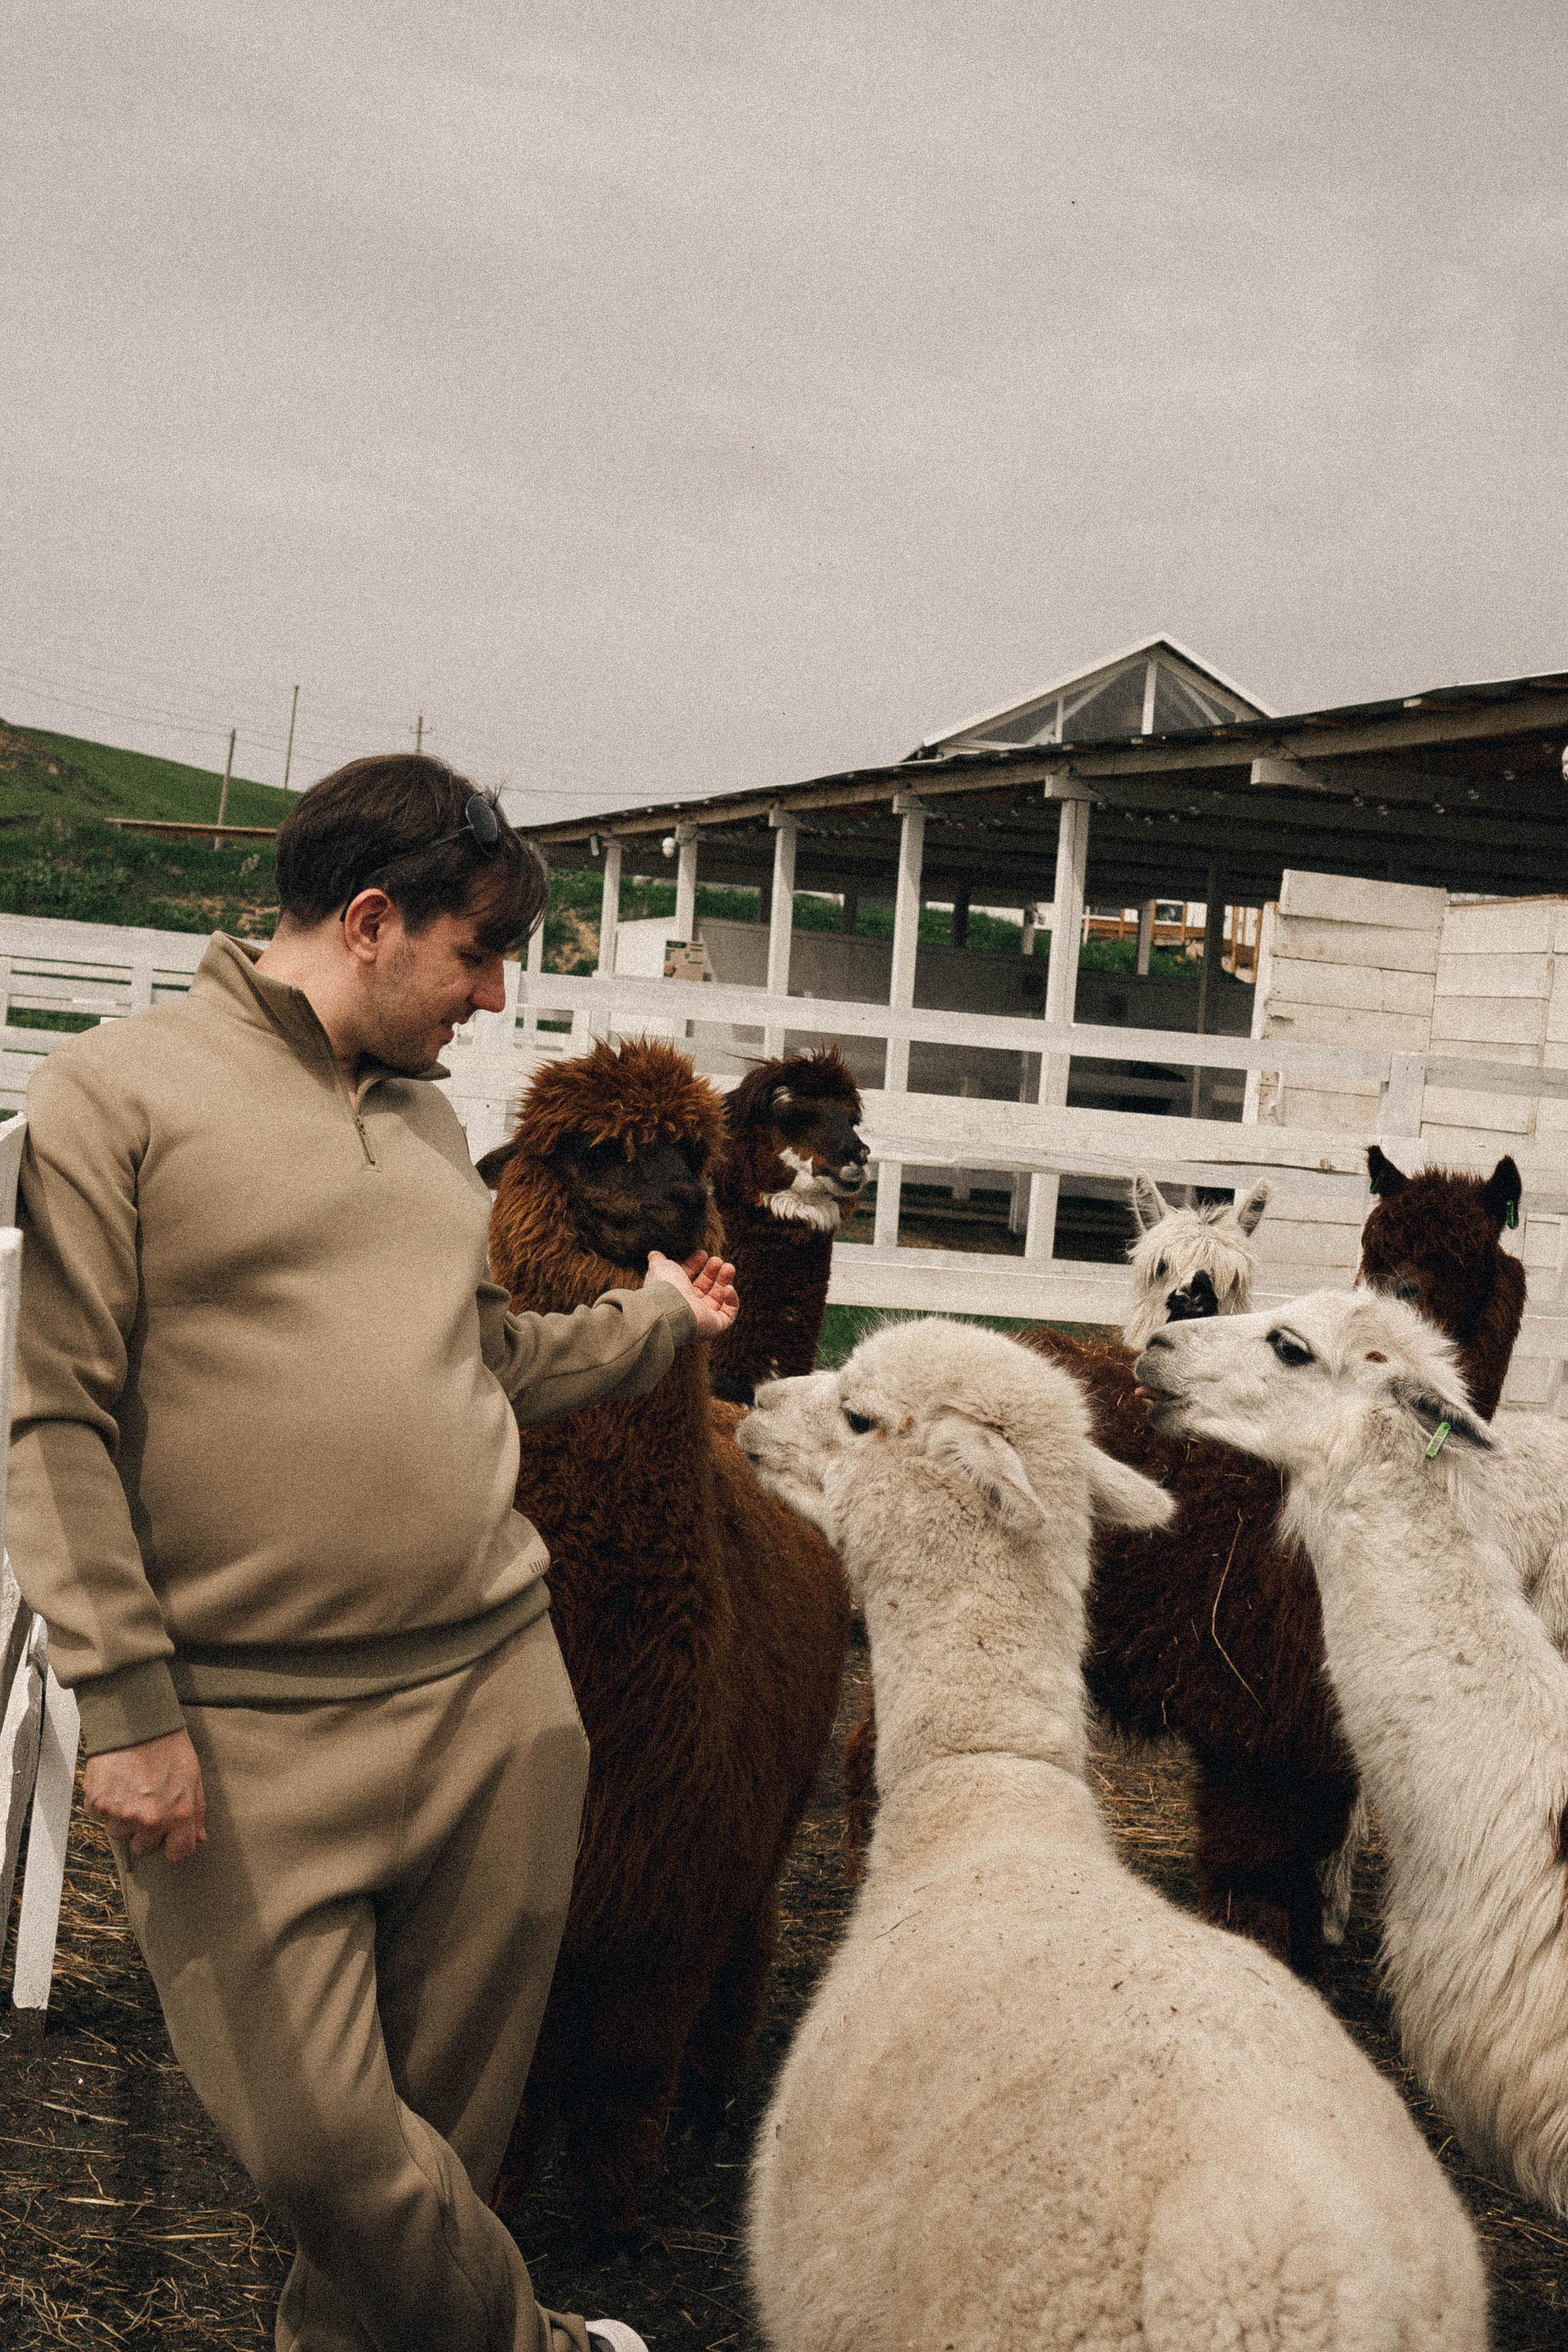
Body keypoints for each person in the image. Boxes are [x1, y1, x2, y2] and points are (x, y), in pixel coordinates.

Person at [6, 754, 734, 2352]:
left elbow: (482, 1362)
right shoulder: (112, 1100)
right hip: (243, 1728)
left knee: (431, 2170)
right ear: (372, 918)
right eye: (475, 956)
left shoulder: (424, 1126)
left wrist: (653, 1326)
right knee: (337, 2159)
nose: (490, 996)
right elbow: (51, 1419)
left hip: (496, 1701)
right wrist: (124, 1703)